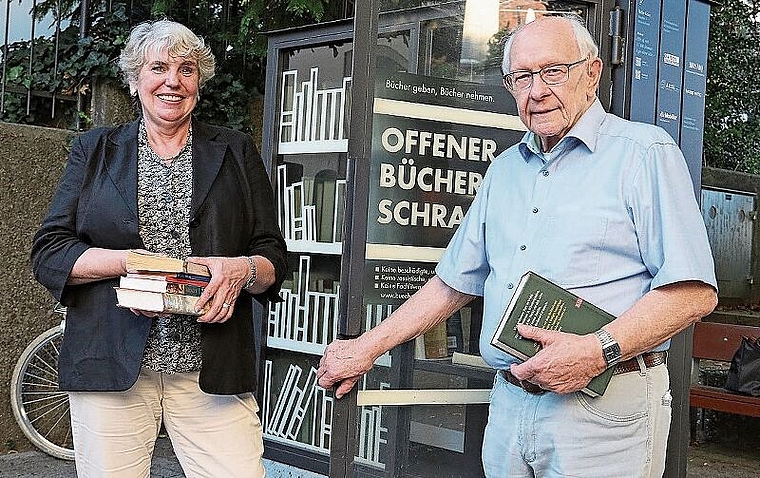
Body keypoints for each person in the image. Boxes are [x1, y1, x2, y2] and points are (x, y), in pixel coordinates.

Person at [317, 14, 717, 477]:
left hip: (602, 408)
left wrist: (597, 351)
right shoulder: (505, 169)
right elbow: (453, 284)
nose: (537, 90)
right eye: (522, 77)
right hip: (508, 403)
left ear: (592, 73)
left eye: (553, 71)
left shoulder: (645, 153)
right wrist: (367, 347)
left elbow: (693, 291)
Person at [30, 19, 287, 477]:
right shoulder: (94, 150)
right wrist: (130, 264)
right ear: (134, 78)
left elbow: (272, 256)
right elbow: (50, 251)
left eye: (186, 69)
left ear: (199, 83)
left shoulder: (236, 150)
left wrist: (241, 270)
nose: (173, 81)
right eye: (158, 68)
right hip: (111, 365)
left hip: (212, 370)